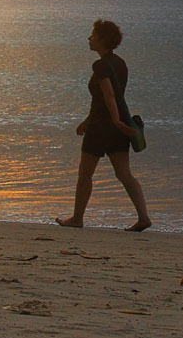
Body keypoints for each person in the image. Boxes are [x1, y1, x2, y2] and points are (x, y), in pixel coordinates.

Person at [56, 19, 150, 232]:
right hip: (117, 128)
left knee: (85, 174)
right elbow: (108, 98)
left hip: (103, 128)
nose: (89, 38)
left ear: (103, 39)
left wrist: (113, 121)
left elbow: (109, 96)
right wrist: (88, 120)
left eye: (93, 35)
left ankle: (77, 218)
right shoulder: (121, 63)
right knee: (124, 174)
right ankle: (143, 217)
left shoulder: (100, 65)